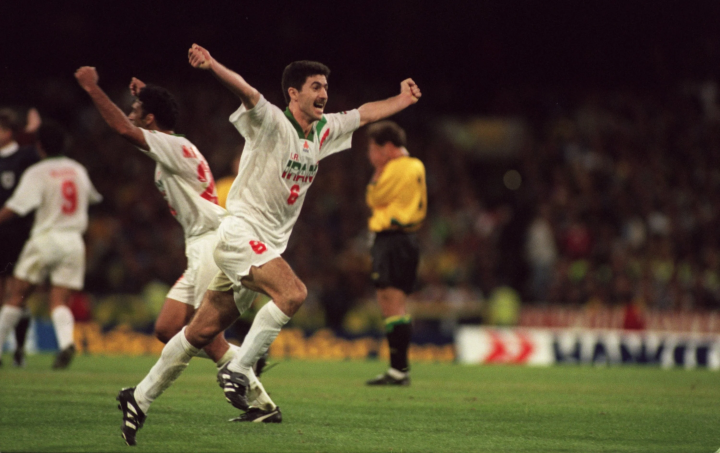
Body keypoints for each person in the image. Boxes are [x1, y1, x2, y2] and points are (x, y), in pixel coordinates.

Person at [113, 42, 422, 446]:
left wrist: (402, 99)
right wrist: (212, 65)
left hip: (264, 245)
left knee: (199, 333)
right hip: (240, 233)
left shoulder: (324, 130)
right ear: (293, 93)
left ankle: (139, 397)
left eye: (326, 86)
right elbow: (246, 91)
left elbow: (365, 113)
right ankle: (240, 368)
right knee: (293, 293)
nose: (324, 93)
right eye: (315, 86)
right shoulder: (271, 120)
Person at [73, 67, 278, 438]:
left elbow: (123, 129)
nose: (130, 113)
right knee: (167, 328)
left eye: (136, 109)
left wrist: (92, 88)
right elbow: (139, 121)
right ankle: (247, 373)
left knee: (206, 334)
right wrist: (147, 93)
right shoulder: (175, 146)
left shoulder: (171, 145)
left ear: (151, 118)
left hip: (211, 243)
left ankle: (259, 399)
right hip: (198, 244)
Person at [0, 120, 102, 369]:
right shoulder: (78, 169)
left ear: (40, 146)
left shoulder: (38, 172)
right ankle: (66, 343)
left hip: (45, 238)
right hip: (73, 242)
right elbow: (93, 198)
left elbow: (16, 207)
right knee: (59, 300)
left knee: (16, 296)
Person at [363, 121, 427, 386]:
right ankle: (397, 369)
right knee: (391, 301)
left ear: (387, 147)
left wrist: (379, 171)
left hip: (394, 239)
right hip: (401, 240)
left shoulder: (398, 167)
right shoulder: (414, 165)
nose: (370, 155)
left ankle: (399, 370)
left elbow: (374, 197)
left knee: (392, 301)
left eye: (373, 148)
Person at [0, 108, 41, 367]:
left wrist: (31, 132)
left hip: (18, 235)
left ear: (8, 132)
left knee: (17, 294)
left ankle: (19, 349)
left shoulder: (25, 157)